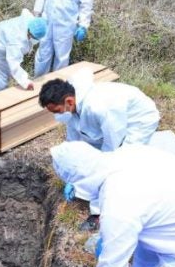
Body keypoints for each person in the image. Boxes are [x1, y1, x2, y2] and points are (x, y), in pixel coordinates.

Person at [41, 69, 161, 228]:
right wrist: (72, 179)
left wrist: (97, 172)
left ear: (69, 102)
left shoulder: (99, 108)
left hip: (137, 121)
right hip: (112, 120)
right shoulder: (73, 103)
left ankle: (99, 213)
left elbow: (111, 150)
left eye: (57, 110)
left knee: (119, 164)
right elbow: (74, 142)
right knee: (92, 151)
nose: (57, 115)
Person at [0, 9, 48, 96]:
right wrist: (25, 82)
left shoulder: (31, 21)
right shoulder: (17, 41)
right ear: (30, 34)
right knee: (1, 72)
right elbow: (13, 64)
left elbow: (25, 11)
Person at [32, 0, 93, 77]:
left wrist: (83, 25)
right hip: (47, 21)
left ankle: (57, 87)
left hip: (66, 25)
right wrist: (36, 14)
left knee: (62, 58)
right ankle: (38, 83)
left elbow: (86, 3)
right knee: (43, 53)